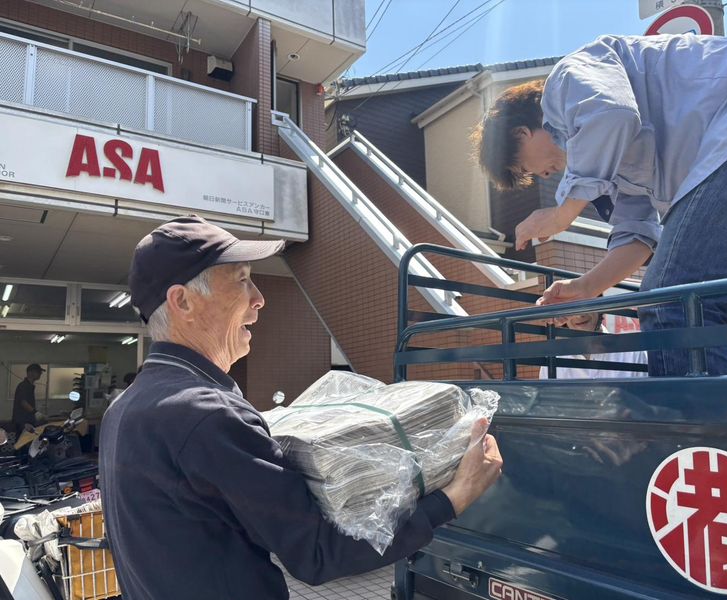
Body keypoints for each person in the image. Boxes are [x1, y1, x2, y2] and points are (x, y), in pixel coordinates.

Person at [99, 215, 503, 599]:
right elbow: (319, 552)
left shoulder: (124, 409)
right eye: (241, 281)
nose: (259, 299)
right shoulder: (206, 415)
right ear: (183, 302)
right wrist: (453, 497)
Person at [473, 33, 727, 376]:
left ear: (521, 134)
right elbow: (638, 235)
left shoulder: (567, 80)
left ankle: (700, 414)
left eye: (525, 168)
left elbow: (612, 115)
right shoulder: (617, 164)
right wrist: (586, 287)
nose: (541, 175)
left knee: (673, 300)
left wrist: (562, 214)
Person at [538, 312, 647, 379]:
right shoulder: (552, 359)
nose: (579, 315)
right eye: (573, 307)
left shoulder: (633, 353)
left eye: (586, 303)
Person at [12, 364, 45, 436]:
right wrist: (35, 412)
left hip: (28, 421)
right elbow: (23, 402)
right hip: (23, 422)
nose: (40, 374)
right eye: (38, 372)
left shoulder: (30, 386)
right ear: (30, 373)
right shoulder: (24, 385)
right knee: (23, 441)